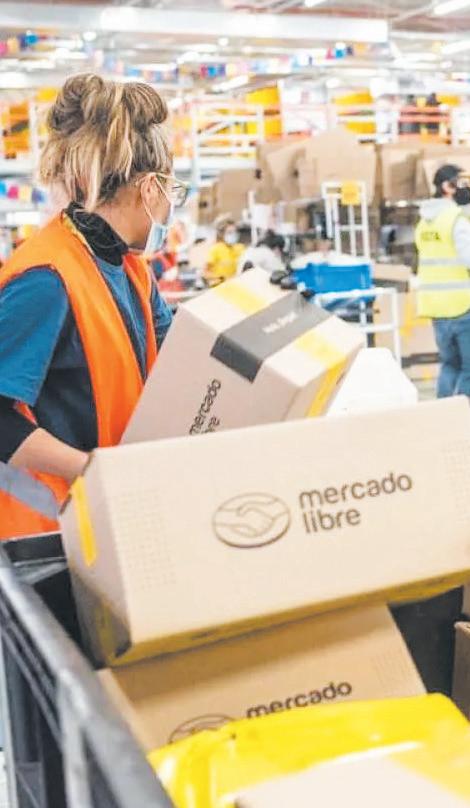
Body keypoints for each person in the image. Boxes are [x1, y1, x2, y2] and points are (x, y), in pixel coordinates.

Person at [0, 73, 188, 540]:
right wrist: (92, 469)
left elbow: (181, 357)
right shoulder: (47, 279)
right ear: (150, 188)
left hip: (112, 517)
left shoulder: (130, 268)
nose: (171, 206)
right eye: (172, 191)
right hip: (49, 537)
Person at [415, 163, 470, 398]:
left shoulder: (424, 222)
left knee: (449, 365)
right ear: (447, 187)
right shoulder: (456, 219)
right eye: (462, 183)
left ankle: (443, 412)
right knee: (468, 368)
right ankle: (463, 415)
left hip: (436, 307)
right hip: (462, 305)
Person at [205, 215, 244, 282]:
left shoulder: (240, 248)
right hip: (221, 285)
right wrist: (220, 278)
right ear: (222, 234)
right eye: (229, 232)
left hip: (237, 284)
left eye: (234, 232)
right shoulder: (216, 249)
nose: (233, 235)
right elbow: (206, 272)